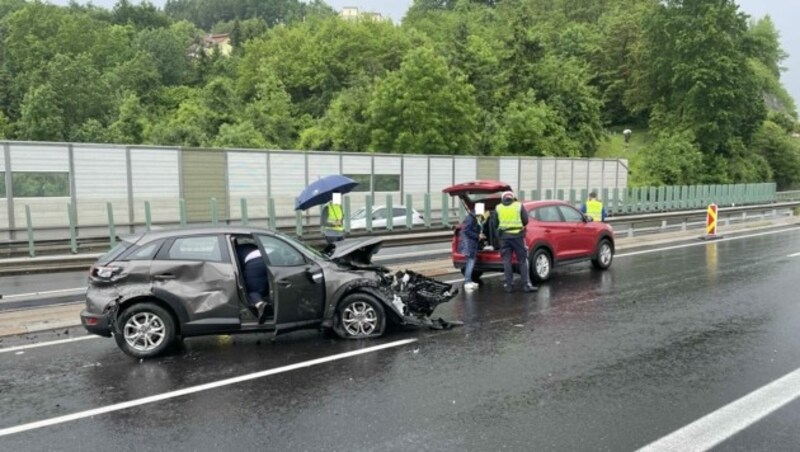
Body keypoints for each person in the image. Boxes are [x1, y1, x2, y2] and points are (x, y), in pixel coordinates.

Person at [493, 191, 536, 293]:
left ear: (503, 198)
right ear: (513, 197)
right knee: (522, 261)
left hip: (504, 238)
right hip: (518, 237)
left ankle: (509, 286)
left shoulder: (498, 207)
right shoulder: (518, 205)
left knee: (507, 261)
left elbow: (495, 223)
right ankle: (526, 285)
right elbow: (525, 220)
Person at [459, 206, 485, 291]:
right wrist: (478, 236)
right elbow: (466, 230)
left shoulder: (473, 217)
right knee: (470, 262)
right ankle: (467, 282)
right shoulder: (471, 218)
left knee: (470, 262)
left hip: (471, 244)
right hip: (469, 244)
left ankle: (469, 281)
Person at [242, 247, 270, 323]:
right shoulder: (250, 246)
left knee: (249, 289)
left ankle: (260, 304)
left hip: (253, 261)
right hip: (270, 255)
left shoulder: (230, 251)